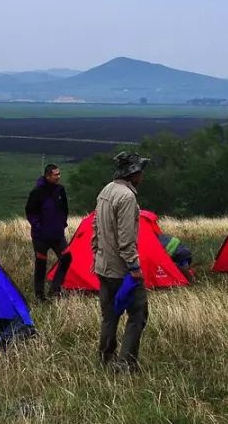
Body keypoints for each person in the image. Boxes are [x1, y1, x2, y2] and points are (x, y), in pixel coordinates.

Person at [92, 151, 151, 373]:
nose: (142, 175)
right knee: (138, 314)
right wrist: (134, 267)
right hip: (121, 269)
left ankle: (105, 357)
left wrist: (95, 253)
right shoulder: (127, 197)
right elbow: (126, 240)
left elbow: (95, 227)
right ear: (133, 173)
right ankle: (126, 364)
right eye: (140, 170)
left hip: (103, 264)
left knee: (109, 315)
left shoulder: (106, 190)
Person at [24, 163, 72, 301]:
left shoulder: (60, 190)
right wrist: (38, 227)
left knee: (67, 257)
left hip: (57, 234)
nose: (59, 177)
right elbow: (30, 212)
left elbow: (65, 209)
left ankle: (55, 289)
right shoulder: (37, 192)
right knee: (41, 264)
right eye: (56, 174)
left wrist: (62, 223)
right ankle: (39, 295)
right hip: (41, 237)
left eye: (59, 174)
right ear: (48, 176)